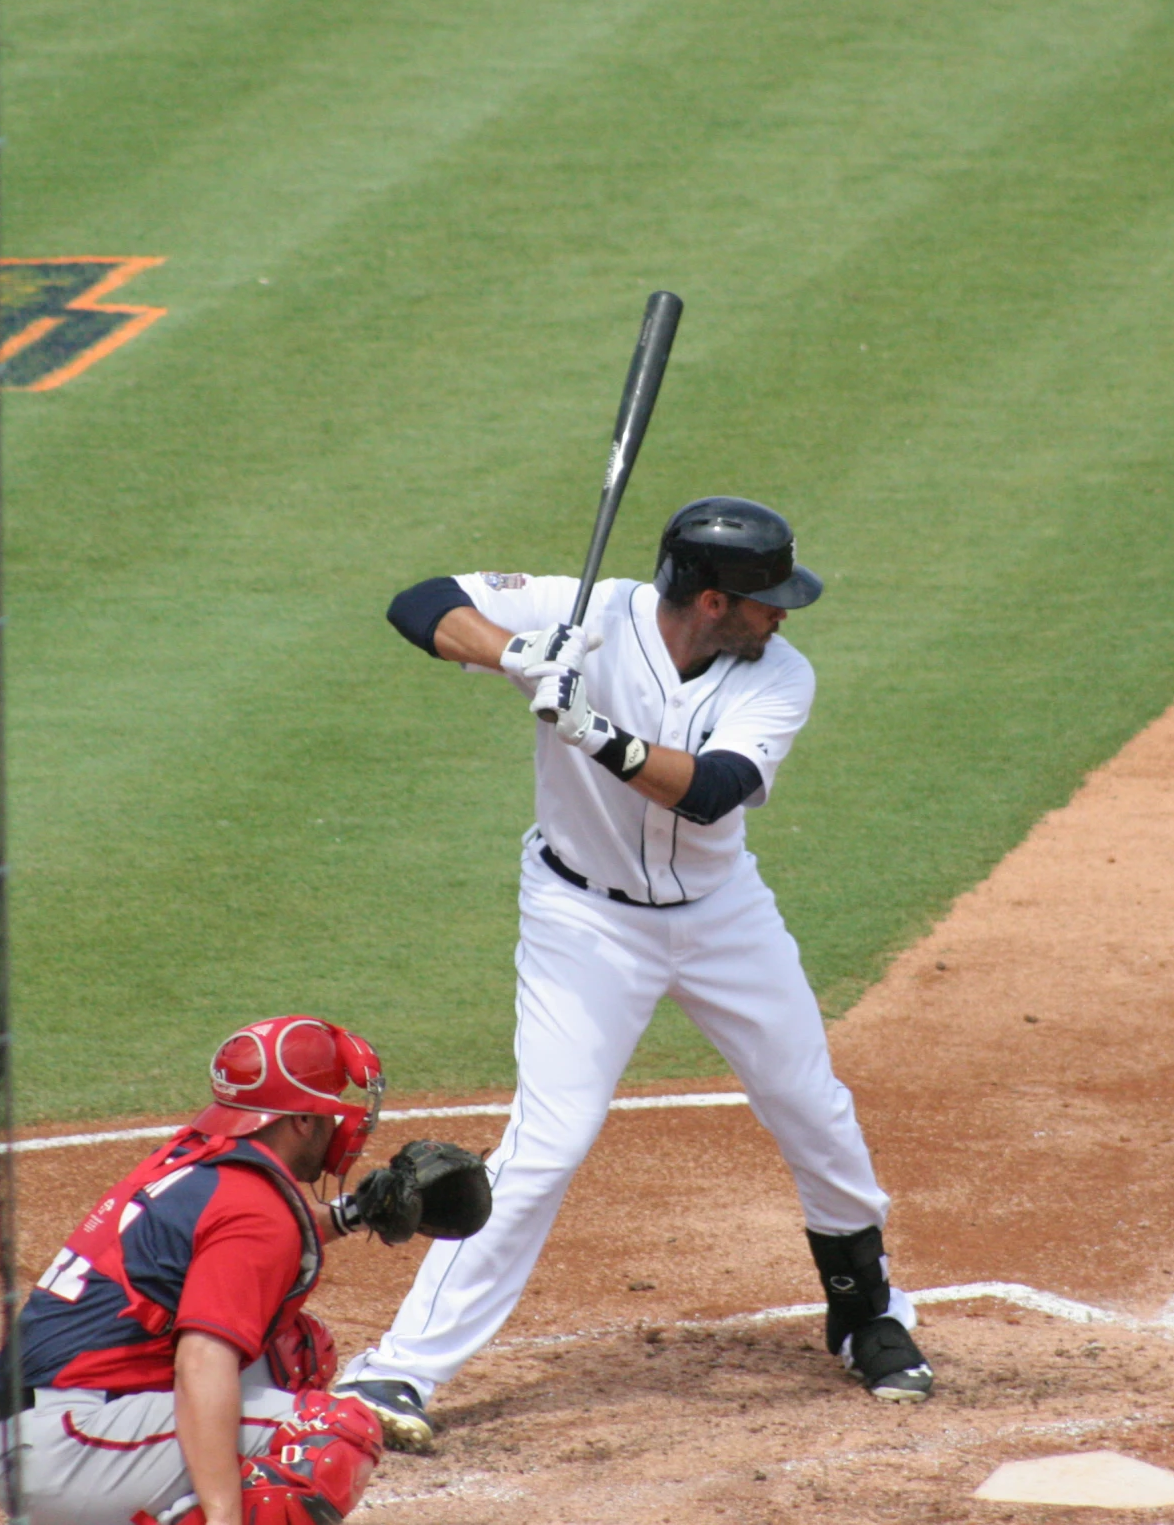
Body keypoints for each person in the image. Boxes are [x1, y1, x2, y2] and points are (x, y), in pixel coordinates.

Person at [337, 495, 933, 1452]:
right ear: (709, 599)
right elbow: (421, 601)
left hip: (719, 913)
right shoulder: (589, 612)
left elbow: (711, 792)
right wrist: (512, 653)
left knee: (809, 1104)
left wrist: (595, 731)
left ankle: (866, 1313)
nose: (783, 613)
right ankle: (399, 1368)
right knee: (550, 1138)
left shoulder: (779, 674)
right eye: (766, 598)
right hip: (582, 918)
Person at [0, 1016, 488, 1525]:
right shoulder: (254, 1208)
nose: (342, 1129)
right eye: (330, 1114)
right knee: (334, 1432)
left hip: (43, 1430)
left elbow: (244, 1230)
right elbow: (202, 1363)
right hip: (71, 1446)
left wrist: (351, 1213)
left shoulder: (195, 1156)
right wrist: (225, 1514)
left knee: (296, 1353)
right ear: (302, 1121)